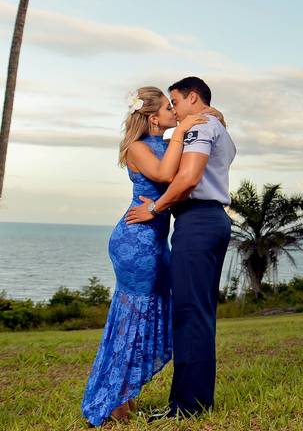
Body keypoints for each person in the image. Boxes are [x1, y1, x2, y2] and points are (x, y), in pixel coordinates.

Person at [81, 87, 207, 426]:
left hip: (155, 239)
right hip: (135, 239)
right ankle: (112, 401)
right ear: (153, 118)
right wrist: (182, 130)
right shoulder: (138, 148)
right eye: (169, 108)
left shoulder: (167, 144)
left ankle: (125, 393)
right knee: (131, 318)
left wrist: (206, 118)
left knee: (146, 314)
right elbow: (166, 176)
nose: (174, 112)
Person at [125, 76, 236, 419]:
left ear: (192, 98)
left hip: (198, 222)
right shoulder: (213, 123)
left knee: (191, 315)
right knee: (197, 314)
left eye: (175, 102)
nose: (173, 110)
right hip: (208, 221)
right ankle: (191, 401)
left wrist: (154, 209)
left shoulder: (200, 128)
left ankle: (188, 407)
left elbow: (187, 179)